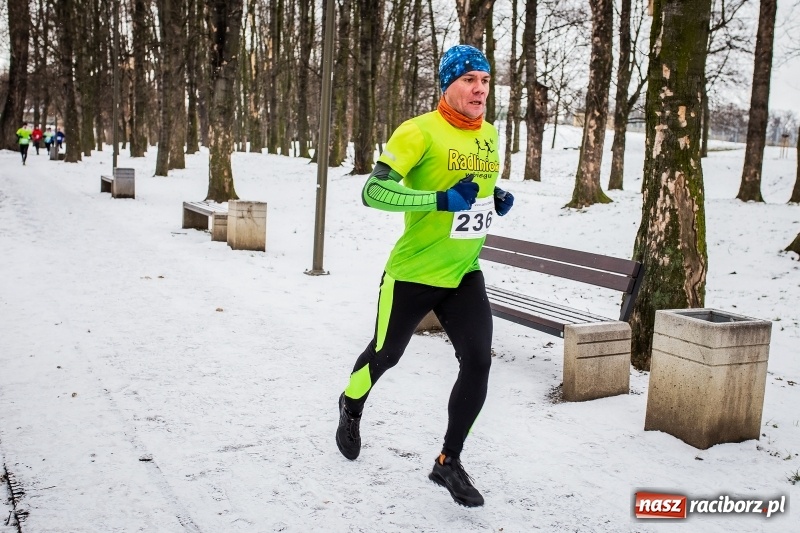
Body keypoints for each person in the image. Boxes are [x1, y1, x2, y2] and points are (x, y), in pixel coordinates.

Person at [335, 44, 514, 508]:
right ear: (448, 85)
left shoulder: (491, 135)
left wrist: (496, 200)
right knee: (385, 355)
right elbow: (374, 192)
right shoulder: (418, 131)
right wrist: (436, 200)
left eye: (485, 80)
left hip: (463, 273)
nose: (479, 89)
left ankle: (447, 463)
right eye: (469, 80)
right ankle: (351, 406)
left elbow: (474, 191)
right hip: (412, 272)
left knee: (478, 362)